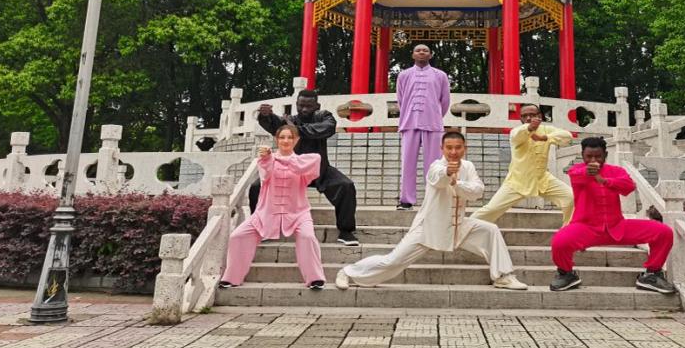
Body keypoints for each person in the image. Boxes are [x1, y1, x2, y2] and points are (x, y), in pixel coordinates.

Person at [336, 131, 528, 291]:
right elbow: (438, 179)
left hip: (458, 226)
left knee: (490, 230)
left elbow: (477, 191)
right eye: (449, 148)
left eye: (458, 147)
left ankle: (503, 276)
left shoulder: (469, 166)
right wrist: (448, 174)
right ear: (442, 149)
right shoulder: (435, 166)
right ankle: (348, 272)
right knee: (393, 261)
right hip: (428, 228)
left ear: (465, 148)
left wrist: (457, 183)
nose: (454, 152)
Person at [549, 137, 676, 294]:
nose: (593, 160)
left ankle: (651, 274)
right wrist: (589, 173)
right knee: (559, 241)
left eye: (598, 156)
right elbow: (578, 176)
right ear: (582, 155)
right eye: (589, 156)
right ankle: (566, 273)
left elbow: (629, 187)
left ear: (606, 155)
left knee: (663, 232)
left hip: (617, 226)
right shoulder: (576, 170)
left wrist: (604, 181)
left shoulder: (616, 171)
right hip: (586, 227)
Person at [219, 124, 325, 290]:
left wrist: (282, 159)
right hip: (266, 212)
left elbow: (312, 162)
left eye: (290, 137)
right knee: (237, 236)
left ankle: (315, 279)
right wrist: (268, 158)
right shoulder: (267, 160)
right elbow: (265, 174)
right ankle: (232, 278)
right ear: (276, 140)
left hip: (298, 212)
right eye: (282, 137)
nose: (286, 140)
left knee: (308, 237)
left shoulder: (304, 161)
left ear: (296, 140)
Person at [253, 89, 359, 246]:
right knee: (257, 187)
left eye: (308, 106)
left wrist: (296, 129)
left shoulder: (325, 117)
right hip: (289, 170)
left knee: (346, 186)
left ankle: (346, 231)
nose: (304, 109)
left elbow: (326, 129)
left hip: (319, 170)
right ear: (296, 104)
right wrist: (266, 115)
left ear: (317, 106)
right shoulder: (290, 120)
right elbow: (275, 125)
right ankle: (261, 228)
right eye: (301, 105)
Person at [472, 104, 575, 226]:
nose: (528, 118)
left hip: (543, 179)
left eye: (532, 115)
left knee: (571, 198)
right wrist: (530, 128)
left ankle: (567, 232)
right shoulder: (516, 132)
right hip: (517, 181)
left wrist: (545, 137)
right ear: (520, 118)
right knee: (491, 209)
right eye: (524, 116)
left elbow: (567, 136)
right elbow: (518, 136)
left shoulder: (547, 130)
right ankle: (465, 229)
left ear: (539, 116)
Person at [395, 44, 451, 210]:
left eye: (425, 50)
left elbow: (445, 101)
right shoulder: (404, 75)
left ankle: (432, 200)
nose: (421, 52)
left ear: (430, 55)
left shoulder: (440, 76)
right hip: (409, 123)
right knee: (407, 164)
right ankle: (406, 200)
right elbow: (400, 99)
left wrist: (435, 115)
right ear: (413, 54)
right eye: (418, 50)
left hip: (433, 124)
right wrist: (409, 114)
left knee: (434, 165)